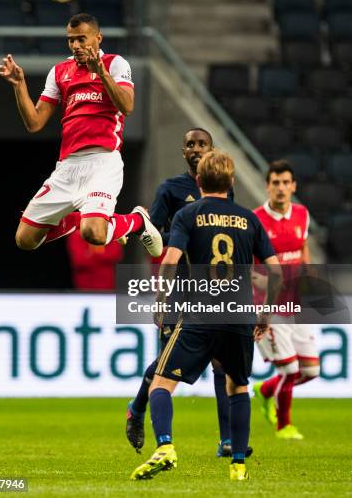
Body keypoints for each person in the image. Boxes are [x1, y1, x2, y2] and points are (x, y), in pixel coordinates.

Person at [130, 150, 281, 482]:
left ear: (198, 181)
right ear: (232, 182)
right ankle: (238, 466)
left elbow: (169, 260)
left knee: (161, 382)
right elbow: (276, 271)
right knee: (238, 387)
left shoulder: (188, 214)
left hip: (200, 314)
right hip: (240, 316)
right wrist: (265, 313)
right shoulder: (249, 219)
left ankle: (166, 446)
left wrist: (160, 298)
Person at [0, 12, 162, 258]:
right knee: (25, 239)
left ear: (98, 38)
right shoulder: (59, 71)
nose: (76, 45)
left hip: (102, 163)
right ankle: (78, 218)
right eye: (71, 40)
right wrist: (20, 86)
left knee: (94, 233)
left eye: (82, 39)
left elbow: (127, 106)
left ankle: (137, 221)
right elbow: (35, 122)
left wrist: (102, 74)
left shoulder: (116, 64)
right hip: (68, 167)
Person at [126, 128, 244, 458]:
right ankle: (137, 410)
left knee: (222, 362)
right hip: (179, 286)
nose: (195, 149)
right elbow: (154, 236)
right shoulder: (171, 190)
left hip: (211, 288)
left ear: (211, 150)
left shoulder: (224, 190)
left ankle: (227, 440)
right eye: (190, 144)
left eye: (201, 144)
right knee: (167, 363)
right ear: (183, 151)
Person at [252, 160, 320, 440]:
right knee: (290, 370)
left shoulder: (302, 214)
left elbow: (302, 246)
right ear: (267, 186)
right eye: (275, 183)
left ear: (293, 186)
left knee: (311, 370)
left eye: (285, 183)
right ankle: (284, 426)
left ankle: (265, 390)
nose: (281, 188)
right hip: (269, 308)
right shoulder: (255, 220)